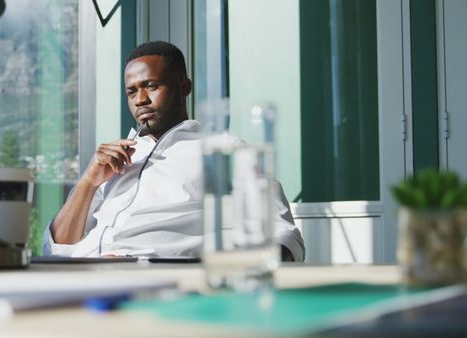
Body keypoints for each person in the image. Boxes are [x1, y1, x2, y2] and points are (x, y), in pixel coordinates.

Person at [43, 41, 305, 261]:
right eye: (131, 92)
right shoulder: (113, 161)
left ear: (184, 88)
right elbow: (57, 248)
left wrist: (229, 276)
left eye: (151, 86)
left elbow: (283, 237)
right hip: (81, 275)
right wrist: (89, 180)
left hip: (154, 280)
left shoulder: (221, 150)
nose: (140, 100)